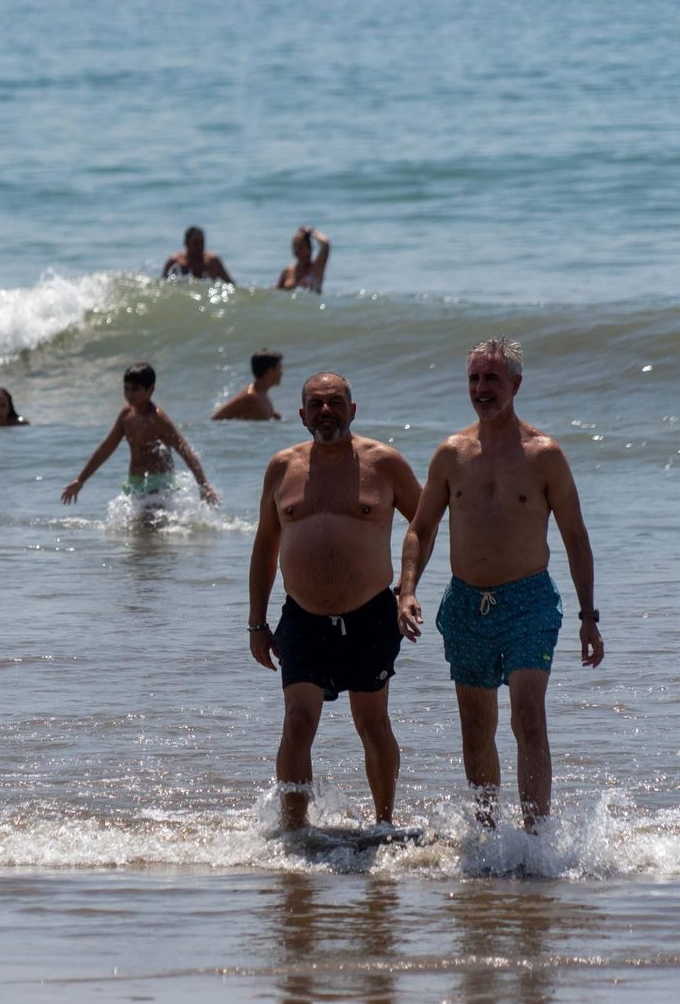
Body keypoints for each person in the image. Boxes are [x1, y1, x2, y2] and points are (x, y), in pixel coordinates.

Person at [396, 337, 603, 830]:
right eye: (473, 378)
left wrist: (588, 618)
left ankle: (535, 839)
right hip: (466, 603)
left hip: (528, 601)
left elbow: (575, 537)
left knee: (528, 718)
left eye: (491, 378)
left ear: (515, 384)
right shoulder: (451, 454)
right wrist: (406, 590)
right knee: (476, 728)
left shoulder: (544, 455)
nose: (481, 389)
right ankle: (487, 837)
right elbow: (420, 529)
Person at [247, 373, 422, 830]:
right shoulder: (282, 467)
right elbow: (265, 545)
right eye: (317, 404)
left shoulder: (383, 463)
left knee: (372, 723)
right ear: (303, 415)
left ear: (353, 409)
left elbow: (424, 523)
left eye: (336, 403)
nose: (327, 411)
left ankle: (384, 823)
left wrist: (408, 588)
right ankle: (294, 831)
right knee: (298, 723)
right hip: (302, 617)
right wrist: (256, 623)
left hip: (369, 615)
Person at [61, 363, 220, 506]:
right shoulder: (125, 416)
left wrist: (203, 485)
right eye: (126, 388)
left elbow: (184, 450)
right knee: (136, 531)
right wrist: (81, 479)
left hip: (159, 482)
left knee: (147, 525)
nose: (129, 394)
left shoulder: (158, 419)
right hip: (134, 482)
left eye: (135, 389)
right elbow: (106, 448)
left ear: (150, 389)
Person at [212, 349, 284, 421]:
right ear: (269, 372)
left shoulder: (263, 395)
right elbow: (216, 418)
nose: (281, 373)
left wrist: (272, 415)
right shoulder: (252, 397)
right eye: (279, 369)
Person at [161, 227, 234, 284]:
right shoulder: (175, 262)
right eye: (196, 243)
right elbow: (163, 285)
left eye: (202, 242)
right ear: (186, 243)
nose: (200, 247)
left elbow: (231, 284)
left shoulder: (212, 262)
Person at [274, 227, 330, 293]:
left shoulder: (316, 268)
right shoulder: (288, 271)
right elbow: (277, 292)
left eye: (300, 246)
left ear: (309, 249)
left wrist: (311, 232)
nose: (297, 250)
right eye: (294, 246)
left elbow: (325, 243)